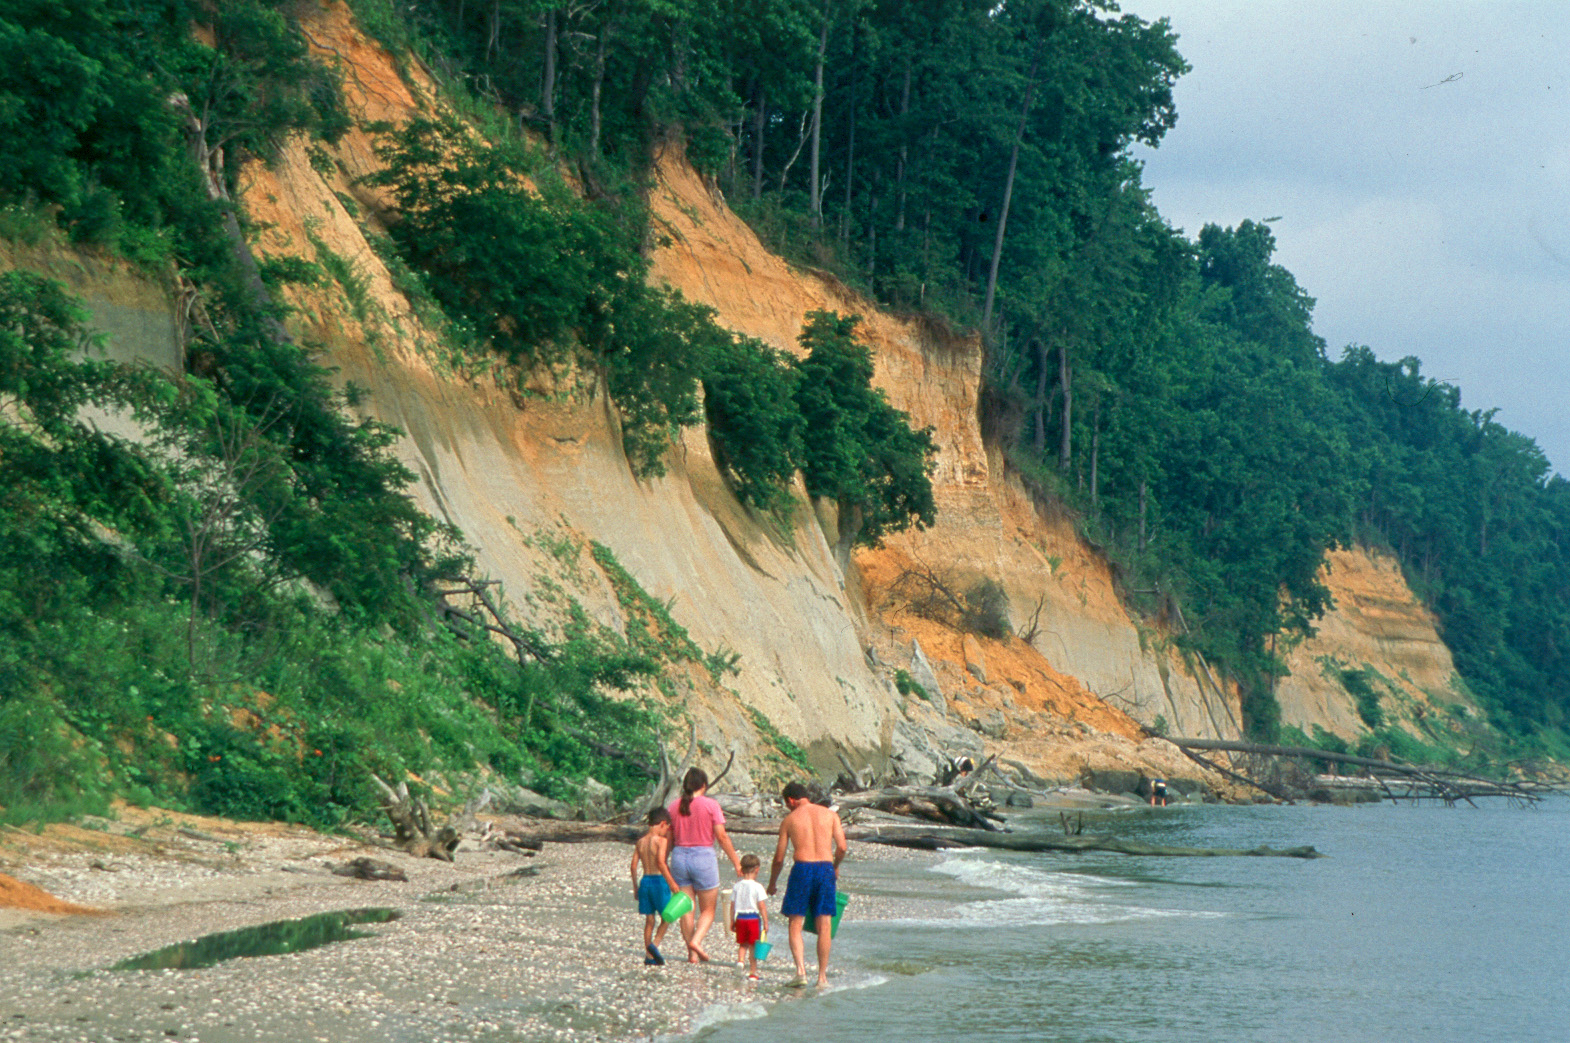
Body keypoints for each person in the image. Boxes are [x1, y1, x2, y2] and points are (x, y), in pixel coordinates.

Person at [767, 780, 847, 988]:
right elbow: (842, 848)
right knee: (825, 924)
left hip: (802, 869)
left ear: (791, 800)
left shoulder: (790, 820)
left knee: (795, 922)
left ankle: (801, 972)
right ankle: (822, 978)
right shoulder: (830, 815)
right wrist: (835, 866)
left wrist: (772, 883)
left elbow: (779, 858)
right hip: (825, 869)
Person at [668, 767, 743, 963]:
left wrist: (663, 864)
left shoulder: (674, 806)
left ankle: (691, 953)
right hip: (703, 857)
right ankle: (697, 941)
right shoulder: (711, 805)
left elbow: (669, 839)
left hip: (679, 857)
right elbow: (721, 836)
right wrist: (736, 862)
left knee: (686, 908)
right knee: (708, 909)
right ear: (704, 785)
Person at [631, 808, 680, 965]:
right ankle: (654, 945)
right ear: (662, 824)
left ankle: (648, 956)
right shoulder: (661, 841)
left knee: (649, 920)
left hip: (645, 881)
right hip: (659, 881)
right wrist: (672, 882)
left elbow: (633, 866)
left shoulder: (641, 841)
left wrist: (636, 887)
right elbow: (660, 862)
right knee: (667, 916)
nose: (667, 832)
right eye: (667, 828)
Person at [727, 853, 769, 981]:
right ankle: (753, 973)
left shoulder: (737, 886)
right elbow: (761, 906)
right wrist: (766, 922)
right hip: (753, 919)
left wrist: (732, 921)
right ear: (757, 869)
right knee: (753, 946)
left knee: (742, 944)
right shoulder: (758, 886)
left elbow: (732, 906)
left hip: (740, 918)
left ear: (742, 869)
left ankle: (740, 961)